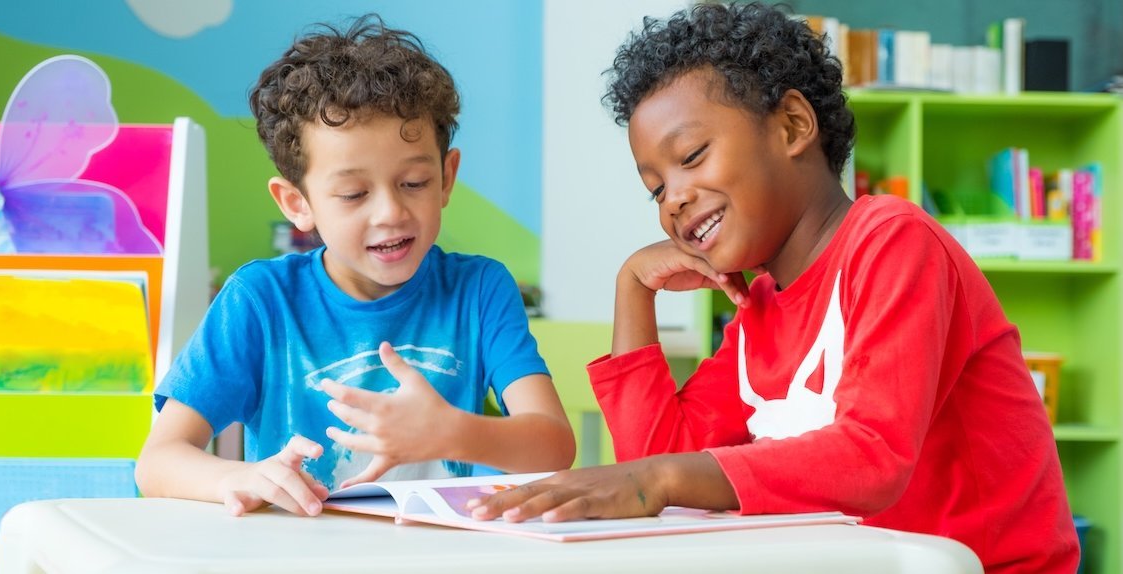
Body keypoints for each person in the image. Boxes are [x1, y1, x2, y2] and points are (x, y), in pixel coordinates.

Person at [467, 3, 1078, 572]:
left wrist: (659, 480)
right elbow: (656, 458)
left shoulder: (894, 241)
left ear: (791, 125)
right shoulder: (759, 309)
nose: (673, 199)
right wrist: (633, 288)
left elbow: (872, 455)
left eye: (693, 155)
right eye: (655, 189)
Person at [135, 14, 575, 518]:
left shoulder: (479, 289)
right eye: (353, 193)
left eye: (413, 183)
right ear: (297, 203)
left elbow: (554, 447)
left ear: (446, 177)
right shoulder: (260, 300)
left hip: (439, 551)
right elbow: (158, 461)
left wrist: (450, 432)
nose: (390, 212)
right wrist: (237, 477)